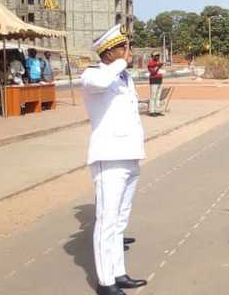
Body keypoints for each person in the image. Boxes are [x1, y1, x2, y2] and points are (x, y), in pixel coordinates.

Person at [81, 25, 148, 295]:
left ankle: (118, 273)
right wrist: (120, 62)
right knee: (106, 222)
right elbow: (100, 82)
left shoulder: (123, 78)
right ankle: (105, 282)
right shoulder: (93, 75)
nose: (128, 53)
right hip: (108, 158)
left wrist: (121, 64)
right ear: (108, 52)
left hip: (130, 155)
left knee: (120, 221)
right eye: (123, 48)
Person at [146, 51, 164, 116]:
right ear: (153, 57)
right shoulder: (151, 63)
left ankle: (157, 110)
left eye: (158, 55)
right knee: (153, 97)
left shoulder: (158, 63)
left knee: (158, 96)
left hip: (159, 80)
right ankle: (152, 111)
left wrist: (159, 65)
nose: (158, 57)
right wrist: (158, 66)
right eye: (156, 55)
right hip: (154, 80)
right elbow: (153, 72)